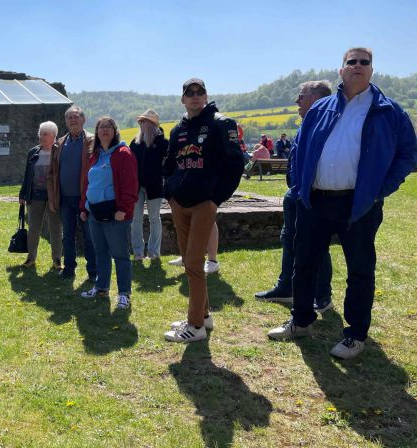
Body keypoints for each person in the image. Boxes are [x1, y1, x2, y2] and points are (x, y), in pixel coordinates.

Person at [268, 48, 417, 360]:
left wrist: (381, 189)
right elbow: (298, 148)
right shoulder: (321, 107)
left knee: (360, 269)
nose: (358, 67)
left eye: (365, 62)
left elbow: (408, 153)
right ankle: (301, 320)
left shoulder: (389, 111)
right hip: (316, 200)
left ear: (372, 70)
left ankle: (355, 335)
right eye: (352, 62)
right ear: (341, 70)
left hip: (359, 203)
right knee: (304, 263)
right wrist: (298, 186)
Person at [162, 78, 244, 343]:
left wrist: (216, 199)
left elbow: (235, 165)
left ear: (206, 96)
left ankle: (195, 326)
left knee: (195, 263)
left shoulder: (221, 123)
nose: (195, 96)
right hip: (180, 202)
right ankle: (204, 315)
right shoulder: (178, 130)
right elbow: (169, 163)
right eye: (189, 93)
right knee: (188, 261)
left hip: (204, 203)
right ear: (183, 99)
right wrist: (169, 193)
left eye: (200, 92)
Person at [255, 81, 334, 313]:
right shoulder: (306, 124)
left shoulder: (327, 126)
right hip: (295, 194)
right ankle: (286, 287)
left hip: (312, 196)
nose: (297, 101)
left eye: (302, 96)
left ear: (319, 98)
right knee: (288, 240)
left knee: (318, 246)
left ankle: (322, 296)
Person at [79, 117, 138, 310]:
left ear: (115, 131)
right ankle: (101, 287)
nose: (104, 130)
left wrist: (124, 210)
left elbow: (131, 185)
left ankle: (124, 294)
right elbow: (88, 183)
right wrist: (83, 207)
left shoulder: (123, 153)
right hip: (94, 212)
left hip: (115, 214)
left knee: (120, 255)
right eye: (101, 127)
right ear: (96, 132)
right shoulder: (94, 155)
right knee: (100, 252)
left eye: (108, 127)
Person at [55, 106, 97, 281]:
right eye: (69, 117)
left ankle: (93, 272)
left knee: (89, 237)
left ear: (83, 120)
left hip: (84, 198)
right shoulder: (60, 143)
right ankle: (69, 269)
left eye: (76, 117)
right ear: (65, 121)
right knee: (68, 237)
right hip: (65, 198)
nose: (73, 120)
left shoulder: (92, 141)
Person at [18, 121, 63, 270]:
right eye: (41, 134)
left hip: (53, 197)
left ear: (54, 136)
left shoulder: (60, 152)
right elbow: (27, 175)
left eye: (45, 134)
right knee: (34, 228)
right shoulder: (33, 152)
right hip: (35, 196)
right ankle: (31, 257)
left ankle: (57, 259)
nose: (42, 137)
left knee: (55, 228)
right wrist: (22, 194)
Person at [129, 109, 168, 262]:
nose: (140, 124)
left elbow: (168, 164)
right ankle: (138, 252)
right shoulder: (135, 142)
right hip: (137, 187)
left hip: (155, 186)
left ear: (151, 124)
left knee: (154, 219)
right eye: (140, 121)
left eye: (143, 121)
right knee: (135, 219)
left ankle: (154, 252)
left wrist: (160, 175)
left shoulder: (163, 143)